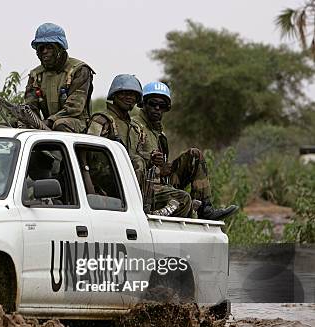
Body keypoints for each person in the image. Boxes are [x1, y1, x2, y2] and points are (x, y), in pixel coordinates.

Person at [86, 74, 192, 218]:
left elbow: (137, 154)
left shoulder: (133, 127)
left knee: (183, 198)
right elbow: (86, 152)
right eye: (124, 93)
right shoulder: (102, 120)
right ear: (115, 95)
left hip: (129, 180)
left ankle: (146, 210)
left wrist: (152, 158)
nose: (129, 98)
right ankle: (139, 208)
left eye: (133, 95)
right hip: (106, 177)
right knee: (137, 162)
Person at [133, 81, 238, 220]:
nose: (157, 108)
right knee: (183, 198)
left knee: (194, 155)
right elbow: (127, 158)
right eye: (153, 103)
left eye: (162, 105)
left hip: (161, 181)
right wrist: (151, 162)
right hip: (144, 184)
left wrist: (164, 167)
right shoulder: (134, 126)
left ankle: (205, 209)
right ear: (143, 104)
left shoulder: (159, 132)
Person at [24, 23, 94, 133]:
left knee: (60, 124)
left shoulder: (79, 70)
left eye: (49, 47)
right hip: (45, 125)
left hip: (76, 124)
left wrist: (49, 122)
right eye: (41, 48)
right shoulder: (36, 75)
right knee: (12, 124)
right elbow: (30, 107)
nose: (44, 52)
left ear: (60, 48)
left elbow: (74, 108)